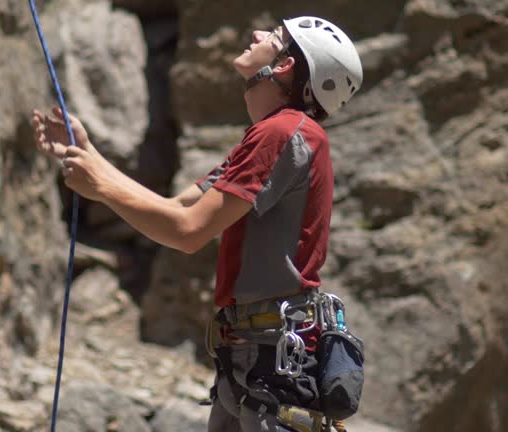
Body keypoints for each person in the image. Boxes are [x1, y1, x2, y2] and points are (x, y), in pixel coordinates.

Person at [33, 15, 362, 432]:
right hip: (256, 356)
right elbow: (176, 207)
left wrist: (99, 184)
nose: (257, 34)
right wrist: (90, 156)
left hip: (267, 358)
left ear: (284, 66)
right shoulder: (268, 136)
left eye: (274, 37)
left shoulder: (284, 134)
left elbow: (187, 231)